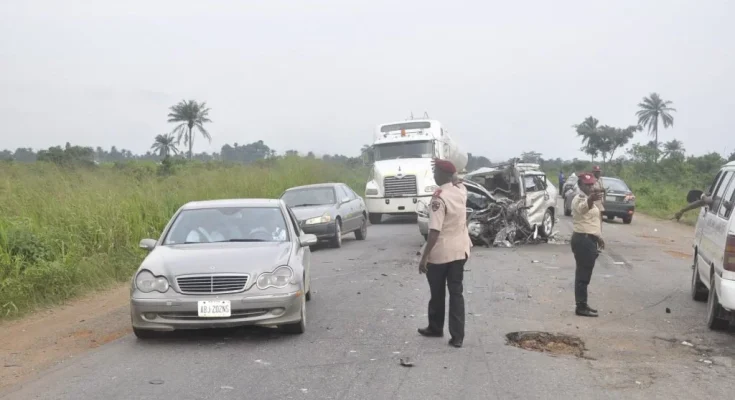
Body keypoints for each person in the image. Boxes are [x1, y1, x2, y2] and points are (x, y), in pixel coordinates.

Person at [418, 159, 472, 348]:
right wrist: (453, 176)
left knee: (437, 291)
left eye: (436, 171)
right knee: (456, 292)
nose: (434, 175)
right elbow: (457, 179)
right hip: (461, 250)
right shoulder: (461, 191)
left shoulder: (438, 198)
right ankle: (458, 336)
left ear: (442, 175)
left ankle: (435, 327)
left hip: (441, 253)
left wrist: (424, 257)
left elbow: (434, 231)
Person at [570, 173, 605, 317]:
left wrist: (599, 237)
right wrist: (590, 199)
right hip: (582, 240)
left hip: (589, 239)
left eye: (592, 184)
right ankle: (580, 307)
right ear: (580, 185)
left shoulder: (591, 199)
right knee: (582, 275)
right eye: (587, 184)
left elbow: (592, 221)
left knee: (585, 274)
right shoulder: (579, 198)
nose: (590, 187)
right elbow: (583, 209)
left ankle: (583, 304)